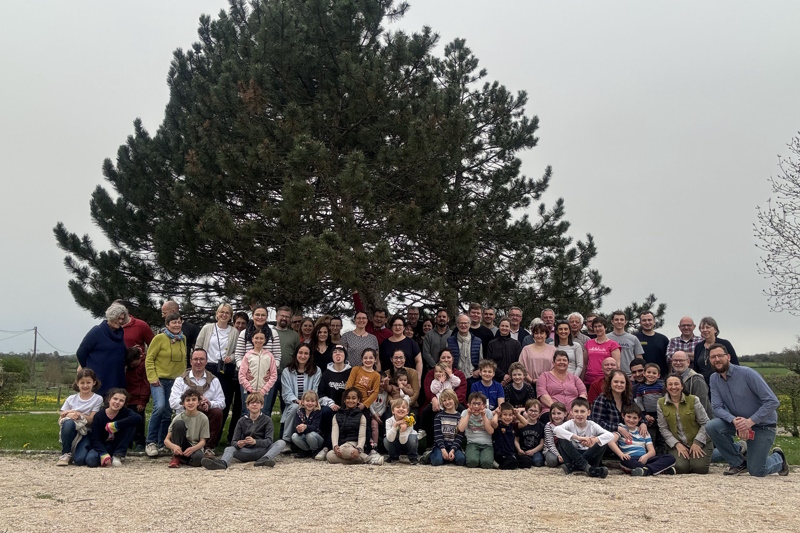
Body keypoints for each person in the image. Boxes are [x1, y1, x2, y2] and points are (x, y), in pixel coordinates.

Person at [705, 344, 789, 477]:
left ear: (728, 357)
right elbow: (717, 407)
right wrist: (735, 420)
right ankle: (738, 462)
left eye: (720, 356)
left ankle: (779, 459)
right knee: (712, 426)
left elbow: (773, 401)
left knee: (757, 471)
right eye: (713, 357)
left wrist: (750, 422)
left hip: (763, 426)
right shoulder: (714, 379)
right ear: (709, 360)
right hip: (738, 424)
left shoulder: (747, 373)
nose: (717, 359)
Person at [144, 312, 187, 457]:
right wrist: (152, 377)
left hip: (176, 381)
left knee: (168, 412)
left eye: (179, 322)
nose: (176, 325)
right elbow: (149, 359)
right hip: (159, 379)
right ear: (167, 325)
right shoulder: (159, 338)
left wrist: (183, 378)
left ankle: (162, 443)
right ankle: (150, 442)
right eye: (173, 322)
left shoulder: (183, 339)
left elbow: (184, 360)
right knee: (160, 407)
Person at [195, 303, 239, 444]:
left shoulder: (234, 332)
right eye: (222, 312)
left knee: (223, 403)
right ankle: (199, 436)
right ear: (217, 314)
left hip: (225, 369)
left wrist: (230, 358)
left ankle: (215, 439)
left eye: (227, 312)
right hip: (208, 367)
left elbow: (236, 352)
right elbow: (198, 346)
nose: (224, 315)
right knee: (204, 400)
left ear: (230, 316)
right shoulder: (207, 328)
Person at [170, 348, 226, 456]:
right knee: (178, 422)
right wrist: (191, 405)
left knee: (217, 412)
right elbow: (172, 402)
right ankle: (178, 450)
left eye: (201, 359)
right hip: (186, 414)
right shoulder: (180, 380)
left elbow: (222, 402)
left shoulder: (214, 380)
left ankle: (208, 448)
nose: (198, 362)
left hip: (205, 415)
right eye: (195, 359)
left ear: (206, 361)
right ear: (191, 361)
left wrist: (209, 403)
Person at [657, 374, 713, 474]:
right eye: (670, 384)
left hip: (698, 440)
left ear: (682, 386)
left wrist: (697, 442)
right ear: (666, 387)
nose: (673, 387)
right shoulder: (661, 403)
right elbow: (663, 428)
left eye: (676, 384)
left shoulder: (693, 400)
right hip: (678, 442)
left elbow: (706, 423)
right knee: (680, 468)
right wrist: (677, 444)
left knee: (699, 468)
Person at [201, 392, 274, 470]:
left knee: (281, 443)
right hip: (245, 451)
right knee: (228, 449)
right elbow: (234, 441)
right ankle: (223, 463)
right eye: (252, 402)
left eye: (257, 403)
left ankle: (265, 459)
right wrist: (239, 444)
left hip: (262, 451)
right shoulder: (241, 421)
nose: (255, 405)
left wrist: (256, 442)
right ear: (247, 406)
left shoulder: (267, 420)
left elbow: (269, 440)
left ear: (262, 405)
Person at [234, 305, 282, 413]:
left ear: (267, 317)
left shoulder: (273, 333)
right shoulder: (244, 333)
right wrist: (244, 371)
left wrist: (271, 371)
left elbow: (277, 355)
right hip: (248, 379)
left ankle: (265, 430)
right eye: (257, 315)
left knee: (265, 409)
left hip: (266, 379)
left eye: (263, 315)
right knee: (247, 409)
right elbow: (238, 355)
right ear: (253, 316)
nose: (260, 317)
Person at [607, 404, 676, 476]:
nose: (631, 420)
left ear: (639, 419)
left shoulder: (643, 431)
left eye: (635, 418)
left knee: (670, 458)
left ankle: (646, 470)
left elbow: (652, 451)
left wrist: (646, 456)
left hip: (644, 459)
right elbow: (611, 442)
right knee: (626, 462)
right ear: (623, 416)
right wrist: (621, 454)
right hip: (630, 458)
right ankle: (659, 470)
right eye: (629, 417)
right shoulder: (621, 429)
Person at [76, 302, 128, 396]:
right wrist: (87, 369)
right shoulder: (97, 331)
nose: (120, 321)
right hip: (99, 379)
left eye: (122, 319)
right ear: (111, 316)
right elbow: (81, 352)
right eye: (118, 318)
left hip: (116, 378)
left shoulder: (120, 334)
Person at [553, 397, 613, 478]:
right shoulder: (570, 423)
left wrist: (594, 440)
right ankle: (588, 468)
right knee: (562, 438)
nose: (579, 414)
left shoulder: (592, 425)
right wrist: (578, 438)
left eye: (582, 411)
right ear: (571, 412)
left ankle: (573, 467)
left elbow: (610, 435)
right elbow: (556, 429)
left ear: (588, 412)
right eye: (576, 411)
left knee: (602, 441)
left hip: (589, 456)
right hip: (573, 455)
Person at [56, 369, 103, 466]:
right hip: (71, 431)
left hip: (86, 431)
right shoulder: (71, 399)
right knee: (68, 423)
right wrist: (69, 415)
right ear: (77, 383)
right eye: (82, 383)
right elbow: (60, 419)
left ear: (94, 383)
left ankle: (86, 450)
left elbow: (91, 420)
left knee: (79, 460)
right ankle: (66, 453)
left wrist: (76, 413)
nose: (85, 386)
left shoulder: (97, 399)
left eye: (88, 382)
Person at [85, 389, 142, 467]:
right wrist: (103, 454)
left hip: (117, 444)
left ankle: (118, 455)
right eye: (115, 399)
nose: (117, 402)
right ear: (109, 399)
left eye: (121, 400)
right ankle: (107, 457)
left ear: (124, 403)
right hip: (103, 444)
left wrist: (116, 424)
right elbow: (95, 439)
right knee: (91, 461)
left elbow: (138, 418)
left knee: (131, 422)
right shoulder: (99, 416)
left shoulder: (125, 412)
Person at [316, 344, 353, 460]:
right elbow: (320, 394)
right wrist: (330, 403)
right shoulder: (326, 374)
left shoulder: (351, 372)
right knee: (325, 412)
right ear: (331, 356)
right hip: (331, 407)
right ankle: (325, 447)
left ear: (345, 356)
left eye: (341, 352)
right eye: (335, 352)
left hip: (347, 406)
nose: (338, 354)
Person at [279, 344, 321, 445]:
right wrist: (298, 401)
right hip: (294, 402)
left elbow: (314, 390)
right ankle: (286, 441)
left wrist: (307, 402)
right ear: (296, 354)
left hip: (310, 402)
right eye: (300, 353)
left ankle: (308, 441)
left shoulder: (316, 370)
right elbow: (286, 392)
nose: (303, 356)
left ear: (310, 356)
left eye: (306, 353)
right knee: (294, 407)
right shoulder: (287, 371)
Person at [325, 388, 377, 465]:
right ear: (344, 400)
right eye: (348, 398)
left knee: (344, 449)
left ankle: (362, 457)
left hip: (354, 444)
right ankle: (366, 459)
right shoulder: (337, 415)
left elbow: (362, 435)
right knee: (329, 455)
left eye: (354, 398)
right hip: (342, 444)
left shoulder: (361, 416)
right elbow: (335, 432)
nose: (350, 401)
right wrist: (335, 446)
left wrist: (359, 449)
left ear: (358, 400)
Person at [591, 370, 648, 439]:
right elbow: (596, 422)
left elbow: (638, 413)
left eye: (622, 382)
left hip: (627, 436)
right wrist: (618, 429)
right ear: (610, 383)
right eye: (616, 382)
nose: (619, 385)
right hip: (607, 437)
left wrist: (643, 423)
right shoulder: (602, 399)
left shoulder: (628, 398)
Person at [345, 348, 381, 454]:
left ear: (375, 360)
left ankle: (369, 447)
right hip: (351, 401)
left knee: (366, 426)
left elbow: (375, 392)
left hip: (364, 405)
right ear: (362, 359)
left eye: (371, 358)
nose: (368, 360)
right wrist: (351, 400)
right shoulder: (356, 369)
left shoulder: (376, 375)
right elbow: (349, 386)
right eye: (365, 358)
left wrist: (364, 404)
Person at [536, 350, 588, 423]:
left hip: (573, 413)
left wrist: (575, 410)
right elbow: (542, 395)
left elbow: (583, 393)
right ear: (553, 363)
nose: (562, 362)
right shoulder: (544, 376)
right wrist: (558, 410)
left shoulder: (574, 378)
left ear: (568, 363)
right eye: (559, 360)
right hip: (552, 412)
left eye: (564, 360)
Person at [164, 388, 209, 468]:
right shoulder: (178, 417)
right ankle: (177, 456)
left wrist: (193, 449)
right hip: (180, 444)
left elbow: (203, 441)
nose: (191, 403)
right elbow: (166, 440)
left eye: (194, 400)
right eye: (188, 400)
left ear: (198, 402)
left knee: (199, 459)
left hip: (194, 446)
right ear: (183, 404)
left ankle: (183, 459)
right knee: (179, 424)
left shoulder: (203, 418)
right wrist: (174, 447)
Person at [238, 331, 278, 416]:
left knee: (263, 414)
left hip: (264, 392)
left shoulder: (269, 356)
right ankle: (246, 429)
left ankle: (263, 430)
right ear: (252, 339)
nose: (258, 340)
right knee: (247, 413)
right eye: (256, 338)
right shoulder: (248, 355)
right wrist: (250, 389)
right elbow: (241, 375)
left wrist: (263, 390)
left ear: (265, 340)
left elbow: (274, 375)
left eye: (261, 338)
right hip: (249, 392)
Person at [693, 317, 738, 384]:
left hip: (722, 382)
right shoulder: (698, 347)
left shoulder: (725, 344)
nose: (704, 330)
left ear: (715, 330)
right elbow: (696, 368)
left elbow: (735, 364)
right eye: (702, 328)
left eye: (708, 327)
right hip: (702, 385)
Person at [458, 392, 495, 469]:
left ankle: (489, 458)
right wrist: (468, 415)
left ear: (484, 405)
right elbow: (461, 429)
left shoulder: (488, 412)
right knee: (472, 463)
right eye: (473, 404)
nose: (476, 406)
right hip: (472, 443)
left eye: (479, 404)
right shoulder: (465, 412)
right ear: (469, 404)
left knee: (486, 464)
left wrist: (484, 416)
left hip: (487, 444)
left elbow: (491, 431)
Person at [379, 316, 422, 381]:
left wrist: (418, 379)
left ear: (404, 327)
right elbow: (379, 362)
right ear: (391, 327)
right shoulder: (385, 344)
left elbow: (419, 361)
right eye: (395, 325)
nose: (397, 327)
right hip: (389, 382)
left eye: (400, 325)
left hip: (408, 381)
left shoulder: (411, 342)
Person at [670, 350, 711, 417]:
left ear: (688, 362)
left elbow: (702, 406)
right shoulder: (671, 379)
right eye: (675, 360)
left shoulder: (696, 380)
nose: (678, 363)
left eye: (681, 360)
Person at [430, 389, 466, 466]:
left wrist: (453, 450)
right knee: (437, 461)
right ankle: (430, 455)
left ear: (454, 399)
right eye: (444, 400)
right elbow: (437, 435)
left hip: (454, 446)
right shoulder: (439, 416)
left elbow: (459, 436)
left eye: (449, 399)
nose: (447, 402)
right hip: (440, 446)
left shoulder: (460, 417)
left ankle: (448, 457)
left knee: (461, 460)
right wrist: (443, 450)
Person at [124, 346, 149, 451]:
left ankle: (140, 442)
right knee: (127, 422)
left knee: (139, 422)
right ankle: (128, 442)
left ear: (139, 358)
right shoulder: (128, 368)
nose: (131, 365)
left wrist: (142, 400)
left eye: (133, 363)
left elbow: (146, 384)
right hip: (128, 399)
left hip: (138, 400)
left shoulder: (144, 366)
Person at [583, 317, 621, 386]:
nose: (598, 329)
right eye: (595, 327)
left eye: (600, 326)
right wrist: (582, 379)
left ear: (605, 327)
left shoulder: (613, 345)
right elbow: (585, 364)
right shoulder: (588, 343)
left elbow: (617, 366)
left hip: (606, 380)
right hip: (589, 380)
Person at [447, 314, 483, 385]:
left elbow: (481, 360)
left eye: (465, 323)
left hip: (473, 378)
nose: (463, 325)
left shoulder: (477, 341)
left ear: (469, 324)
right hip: (455, 378)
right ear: (457, 324)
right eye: (461, 323)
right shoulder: (450, 341)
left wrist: (479, 370)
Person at [161, 300, 200, 365]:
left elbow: (197, 349)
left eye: (164, 313)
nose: (162, 316)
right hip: (165, 367)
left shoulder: (191, 328)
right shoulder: (162, 329)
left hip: (184, 367)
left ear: (173, 311)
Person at [633, 363, 665, 441]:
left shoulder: (661, 386)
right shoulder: (640, 388)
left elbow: (665, 400)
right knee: (651, 435)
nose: (651, 375)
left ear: (658, 375)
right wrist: (645, 415)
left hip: (661, 414)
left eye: (654, 373)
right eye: (649, 372)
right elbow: (639, 402)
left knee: (662, 436)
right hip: (648, 416)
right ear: (644, 373)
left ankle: (663, 452)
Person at [491, 403, 528, 470]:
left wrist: (517, 414)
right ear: (500, 415)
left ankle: (513, 462)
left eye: (510, 415)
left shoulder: (513, 425)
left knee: (527, 461)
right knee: (512, 462)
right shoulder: (498, 425)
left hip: (511, 453)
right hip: (500, 454)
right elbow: (493, 422)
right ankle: (497, 464)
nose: (508, 417)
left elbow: (525, 423)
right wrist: (497, 413)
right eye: (505, 414)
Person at [607, 311, 644, 376]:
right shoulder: (606, 338)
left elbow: (639, 359)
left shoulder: (633, 338)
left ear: (625, 322)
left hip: (630, 375)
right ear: (612, 321)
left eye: (621, 319)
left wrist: (635, 375)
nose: (619, 321)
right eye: (616, 319)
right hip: (611, 375)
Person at [486, 318, 522, 384]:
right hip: (496, 379)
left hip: (513, 379)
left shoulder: (516, 344)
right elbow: (490, 362)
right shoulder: (492, 344)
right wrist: (503, 376)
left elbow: (518, 362)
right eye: (502, 326)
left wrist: (510, 376)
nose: (504, 328)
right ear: (499, 327)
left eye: (506, 326)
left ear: (510, 328)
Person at [384, 398, 419, 463]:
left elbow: (403, 441)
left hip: (407, 443)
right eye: (398, 407)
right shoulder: (389, 421)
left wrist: (403, 430)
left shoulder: (409, 421)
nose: (401, 409)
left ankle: (413, 457)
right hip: (395, 442)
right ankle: (393, 456)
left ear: (407, 411)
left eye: (404, 407)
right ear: (393, 411)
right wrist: (395, 425)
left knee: (412, 439)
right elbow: (390, 439)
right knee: (386, 440)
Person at [634, 311, 669, 376]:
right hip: (641, 376)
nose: (647, 322)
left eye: (649, 320)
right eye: (644, 320)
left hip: (661, 377)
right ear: (640, 322)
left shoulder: (663, 339)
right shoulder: (634, 338)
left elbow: (668, 360)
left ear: (654, 321)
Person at [291, 390, 324, 458]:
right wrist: (299, 429)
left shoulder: (317, 412)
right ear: (303, 402)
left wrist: (306, 427)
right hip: (305, 436)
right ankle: (306, 451)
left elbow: (315, 427)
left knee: (310, 435)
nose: (310, 403)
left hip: (317, 437)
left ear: (316, 403)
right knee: (294, 436)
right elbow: (297, 425)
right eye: (307, 401)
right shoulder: (299, 412)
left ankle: (315, 450)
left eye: (312, 401)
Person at [515, 399, 545, 468]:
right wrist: (519, 449)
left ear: (540, 413)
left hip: (535, 451)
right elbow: (516, 440)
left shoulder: (542, 426)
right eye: (531, 410)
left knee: (538, 462)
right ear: (526, 411)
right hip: (523, 450)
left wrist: (533, 451)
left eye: (536, 411)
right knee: (524, 463)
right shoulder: (521, 425)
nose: (533, 413)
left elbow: (542, 443)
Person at [543, 401, 567, 468]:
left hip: (563, 448)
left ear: (565, 414)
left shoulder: (567, 425)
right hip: (550, 450)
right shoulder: (548, 426)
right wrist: (558, 455)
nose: (556, 416)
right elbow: (550, 444)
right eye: (553, 413)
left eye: (559, 413)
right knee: (552, 461)